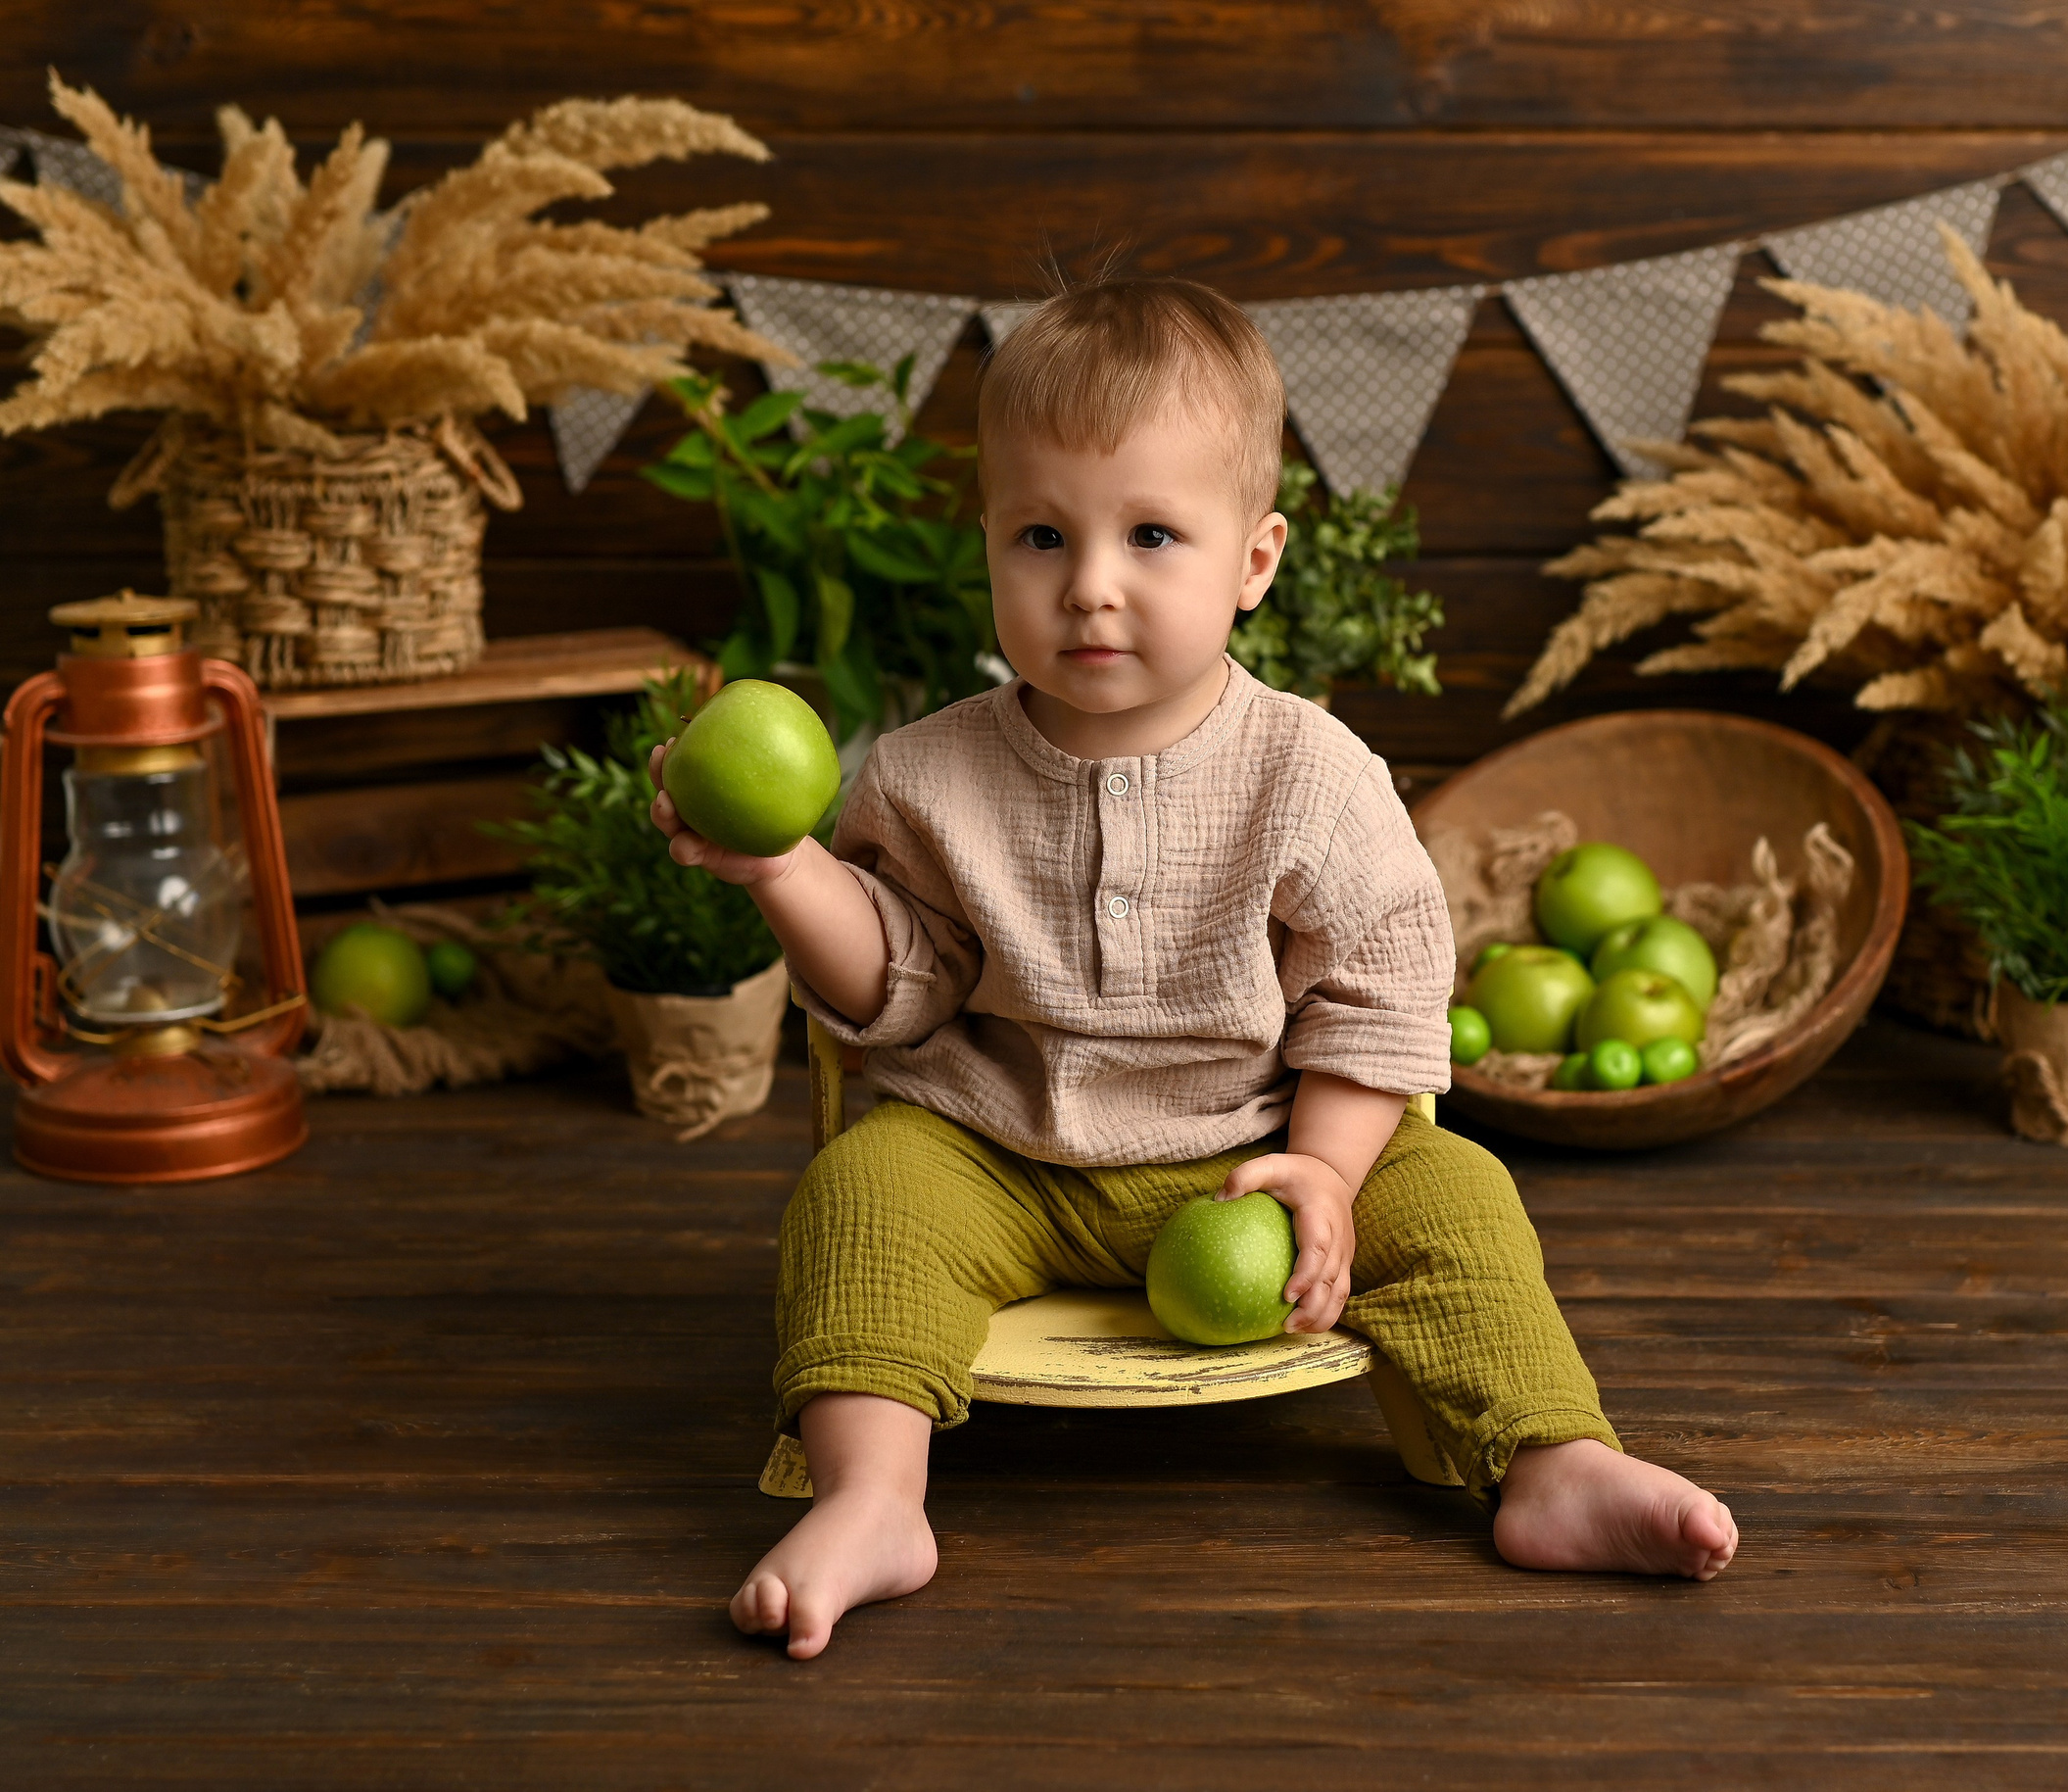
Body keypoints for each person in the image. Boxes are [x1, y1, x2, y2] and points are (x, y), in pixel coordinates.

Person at [650, 275, 1740, 1660]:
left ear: (1255, 559)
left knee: (1460, 1194)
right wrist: (784, 867)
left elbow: (1379, 989)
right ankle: (878, 1498)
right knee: (862, 1193)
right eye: (1041, 534)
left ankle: (1550, 1462)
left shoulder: (1312, 773)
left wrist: (1331, 1171)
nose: (1090, 583)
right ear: (988, 543)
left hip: (1259, 1154)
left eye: (1152, 533)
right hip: (1005, 1153)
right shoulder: (930, 772)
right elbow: (898, 981)